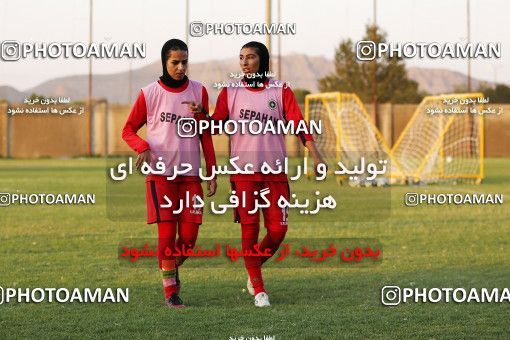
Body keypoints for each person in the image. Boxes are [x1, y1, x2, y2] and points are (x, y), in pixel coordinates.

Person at [199, 41, 325, 307]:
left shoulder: (281, 91)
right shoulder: (230, 92)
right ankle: (259, 290)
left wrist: (315, 154)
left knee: (278, 231)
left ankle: (251, 265)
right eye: (241, 57)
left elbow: (298, 123)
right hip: (243, 174)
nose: (244, 62)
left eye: (250, 57)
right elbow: (216, 124)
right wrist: (201, 116)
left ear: (262, 61)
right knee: (249, 231)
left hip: (274, 173)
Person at [122, 39, 217, 309]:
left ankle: (170, 270)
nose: (180, 66)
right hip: (160, 176)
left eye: (184, 61)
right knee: (166, 236)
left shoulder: (198, 91)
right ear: (165, 61)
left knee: (188, 239)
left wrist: (212, 172)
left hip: (190, 177)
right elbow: (127, 129)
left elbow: (205, 134)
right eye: (175, 62)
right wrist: (142, 146)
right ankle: (171, 293)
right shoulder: (149, 93)